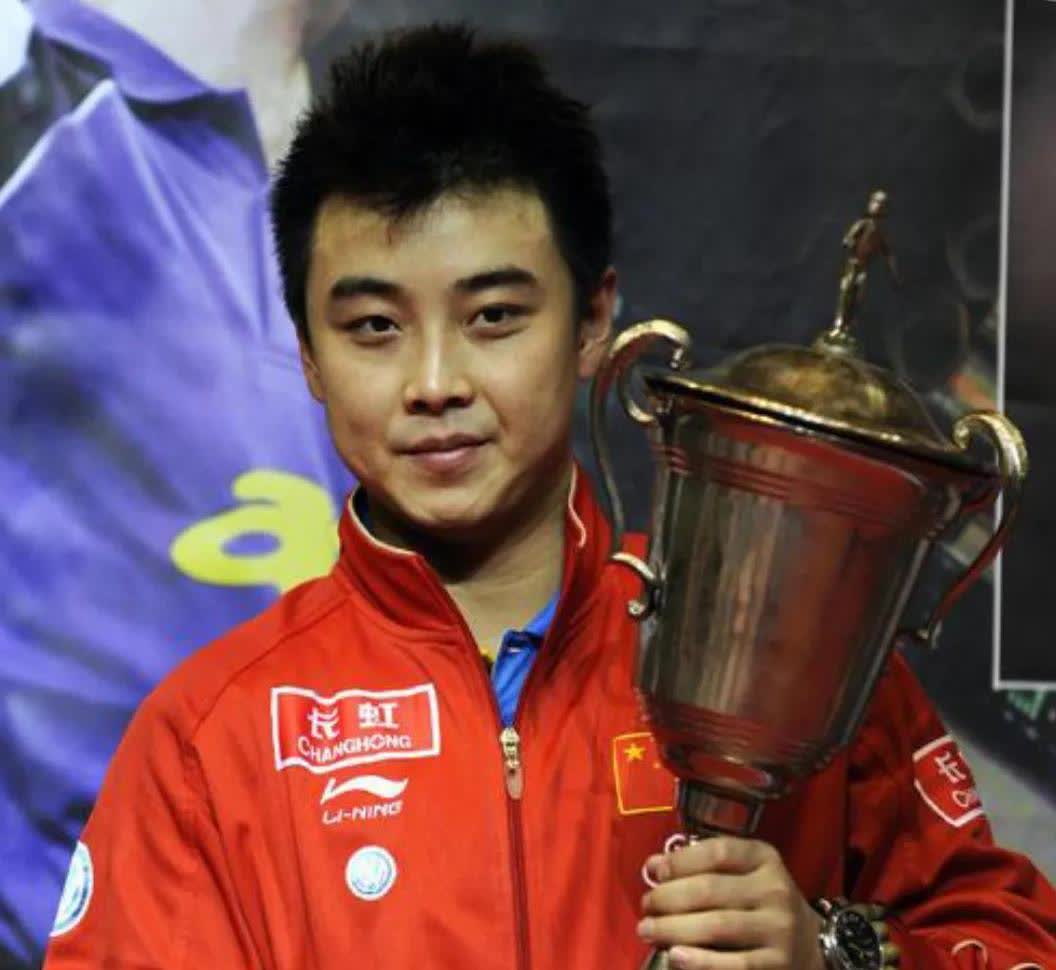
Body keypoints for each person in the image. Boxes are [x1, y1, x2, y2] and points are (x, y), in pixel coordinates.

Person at [43, 24, 1056, 970]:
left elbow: (1014, 940)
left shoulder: (788, 651)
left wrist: (835, 950)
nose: (434, 382)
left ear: (594, 321)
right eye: (374, 327)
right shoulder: (210, 737)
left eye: (492, 316)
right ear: (307, 353)